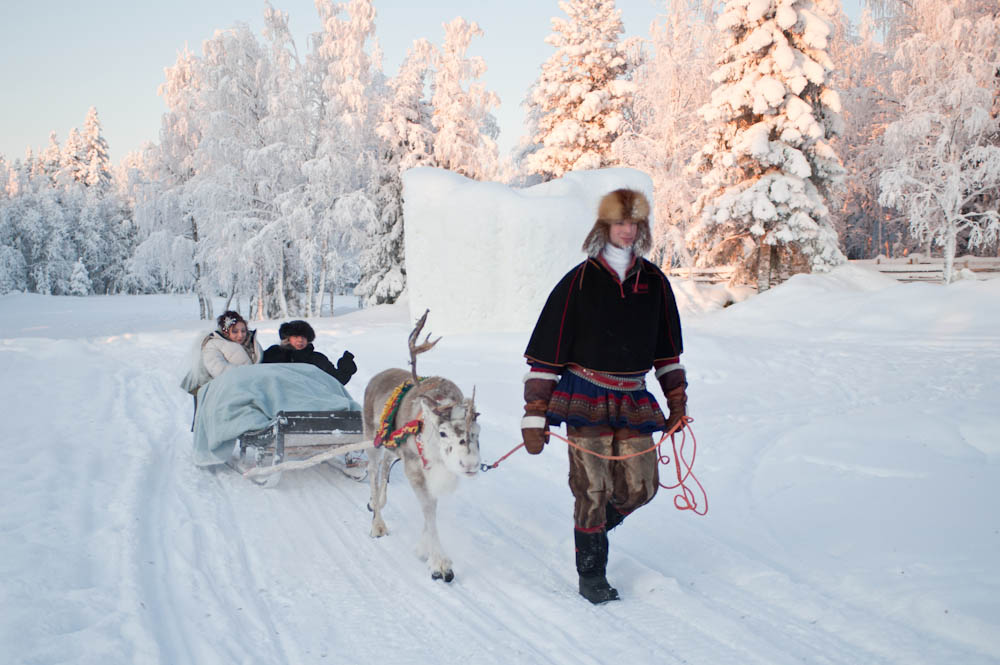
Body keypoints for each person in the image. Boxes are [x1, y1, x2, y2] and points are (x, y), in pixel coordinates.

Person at [521, 188, 687, 605]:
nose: (627, 231)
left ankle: (590, 529)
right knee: (590, 488)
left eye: (634, 224)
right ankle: (592, 573)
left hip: (634, 398)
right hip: (584, 396)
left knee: (641, 487)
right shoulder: (578, 281)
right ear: (604, 227)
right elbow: (546, 354)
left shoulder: (655, 282)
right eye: (619, 223)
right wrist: (534, 414)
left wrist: (677, 400)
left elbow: (667, 351)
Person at [261, 320, 357, 386]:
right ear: (288, 338)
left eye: (303, 337)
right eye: (296, 336)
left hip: (311, 406)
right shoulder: (274, 354)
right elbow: (257, 373)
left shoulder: (317, 359)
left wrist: (346, 369)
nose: (300, 340)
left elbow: (335, 381)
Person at [200, 310, 263, 380]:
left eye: (243, 331)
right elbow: (219, 370)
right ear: (226, 332)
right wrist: (249, 374)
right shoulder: (212, 345)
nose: (240, 335)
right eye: (235, 331)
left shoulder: (251, 343)